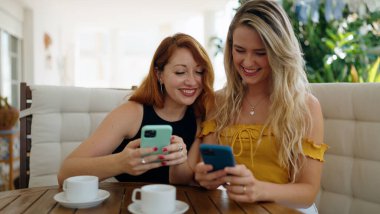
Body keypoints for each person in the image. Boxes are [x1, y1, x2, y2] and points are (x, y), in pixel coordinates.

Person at [193, 0, 328, 213]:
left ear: (279, 51)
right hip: (233, 207)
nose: (247, 62)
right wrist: (204, 176)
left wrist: (259, 190)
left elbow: (307, 193)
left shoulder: (306, 106)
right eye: (240, 50)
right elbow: (207, 168)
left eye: (260, 53)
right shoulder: (217, 102)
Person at [58, 33, 214, 186]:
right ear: (159, 75)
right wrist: (121, 163)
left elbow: (183, 181)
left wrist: (178, 160)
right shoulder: (132, 113)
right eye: (180, 72)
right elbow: (65, 174)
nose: (192, 81)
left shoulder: (198, 117)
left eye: (199, 72)